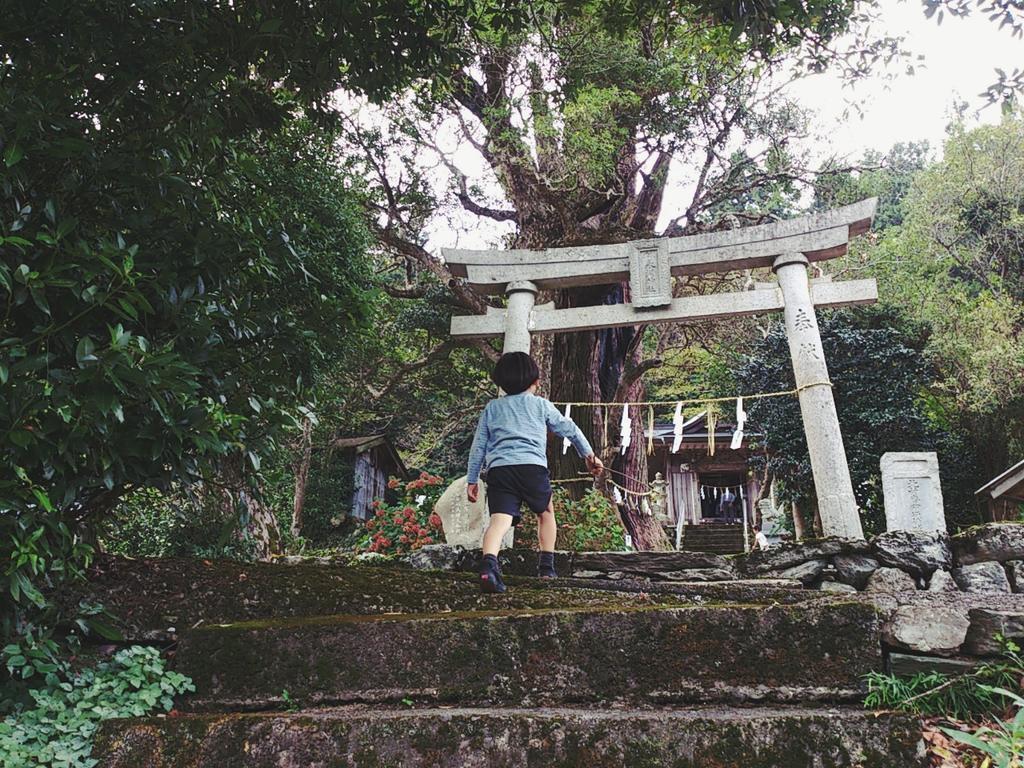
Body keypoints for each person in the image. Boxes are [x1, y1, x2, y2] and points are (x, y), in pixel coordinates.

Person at [467, 352, 604, 593]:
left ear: (500, 382)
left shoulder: (492, 408)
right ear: (536, 381)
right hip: (532, 467)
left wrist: (472, 479)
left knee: (500, 519)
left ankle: (489, 565)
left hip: (500, 470)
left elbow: (479, 445)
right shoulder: (541, 405)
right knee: (546, 512)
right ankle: (546, 568)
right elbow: (569, 429)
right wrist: (589, 456)